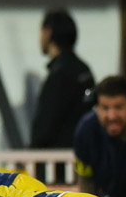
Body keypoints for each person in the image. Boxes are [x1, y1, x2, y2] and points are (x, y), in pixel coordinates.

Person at [30, 9, 95, 152]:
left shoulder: (59, 74)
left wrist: (32, 150)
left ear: (48, 33)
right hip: (81, 158)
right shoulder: (83, 70)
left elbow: (45, 124)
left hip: (57, 163)